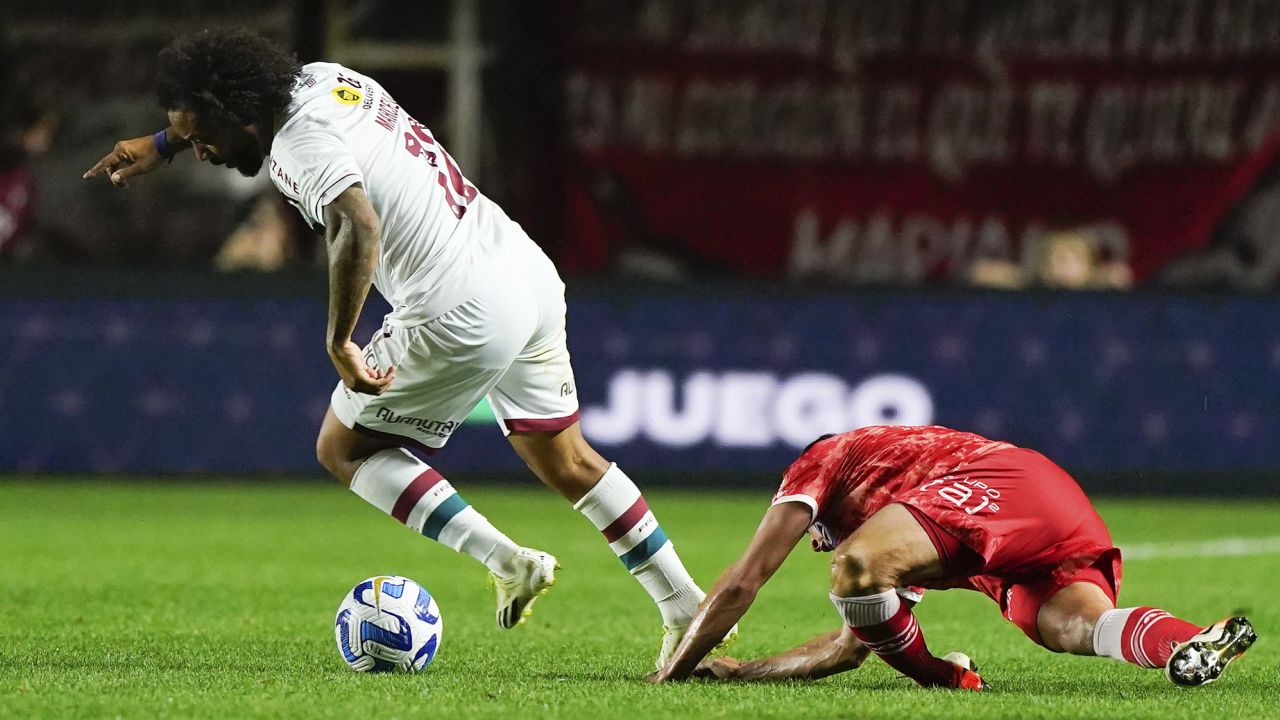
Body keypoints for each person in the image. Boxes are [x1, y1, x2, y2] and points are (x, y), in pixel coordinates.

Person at [83, 28, 718, 667]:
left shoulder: (300, 144)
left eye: (200, 138)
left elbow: (357, 222)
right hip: (520, 268)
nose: (199, 152)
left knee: (343, 449)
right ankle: (685, 607)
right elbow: (244, 114)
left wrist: (339, 340)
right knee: (570, 460)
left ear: (240, 116)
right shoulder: (322, 79)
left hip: (458, 306)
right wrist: (163, 142)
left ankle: (508, 560)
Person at [654, 425, 1257, 689]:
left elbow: (743, 581)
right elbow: (847, 649)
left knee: (856, 568)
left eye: (815, 529)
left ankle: (946, 680)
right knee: (1073, 625)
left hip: (1002, 482)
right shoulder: (904, 527)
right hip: (1043, 507)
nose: (816, 541)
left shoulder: (825, 459)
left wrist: (672, 673)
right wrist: (739, 671)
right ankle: (1188, 642)